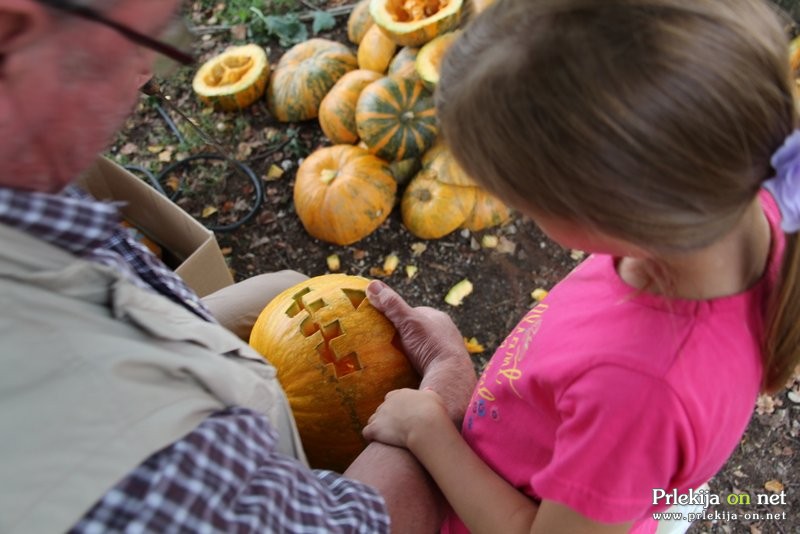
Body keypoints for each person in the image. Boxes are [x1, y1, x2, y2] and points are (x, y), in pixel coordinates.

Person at [0, 0, 476, 532]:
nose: (144, 73)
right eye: (134, 40)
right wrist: (444, 393)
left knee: (290, 287)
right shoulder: (133, 472)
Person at [362, 0, 800, 533]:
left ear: (604, 214)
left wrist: (428, 432)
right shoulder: (749, 198)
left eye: (524, 204)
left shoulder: (637, 393)